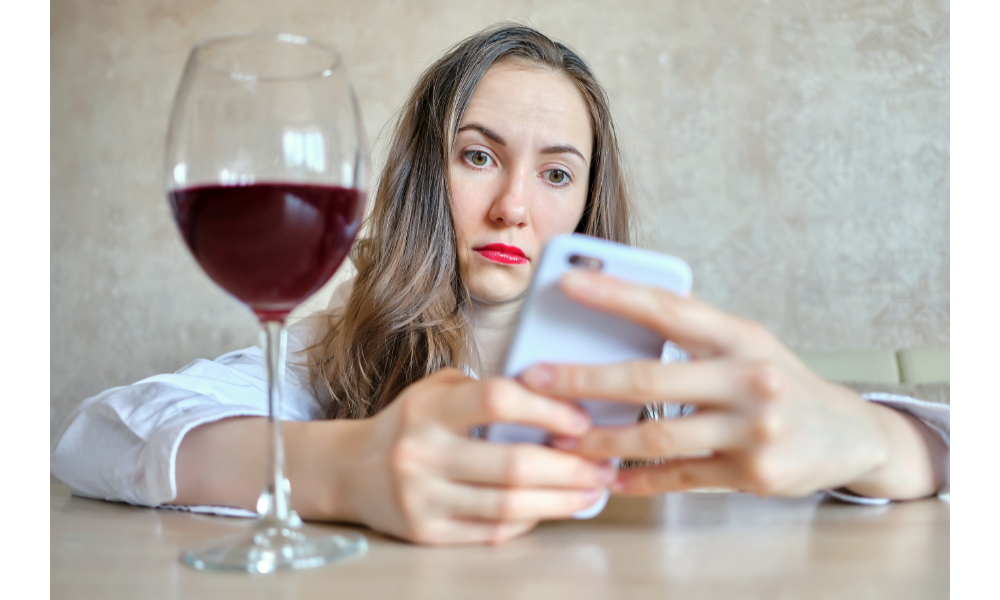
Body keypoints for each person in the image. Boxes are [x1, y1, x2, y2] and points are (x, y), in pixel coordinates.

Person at [51, 23, 949, 546]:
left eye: (557, 174)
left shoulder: (671, 381)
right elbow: (96, 438)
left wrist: (872, 440)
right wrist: (346, 469)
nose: (514, 206)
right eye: (479, 157)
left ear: (589, 201)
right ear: (420, 179)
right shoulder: (325, 361)